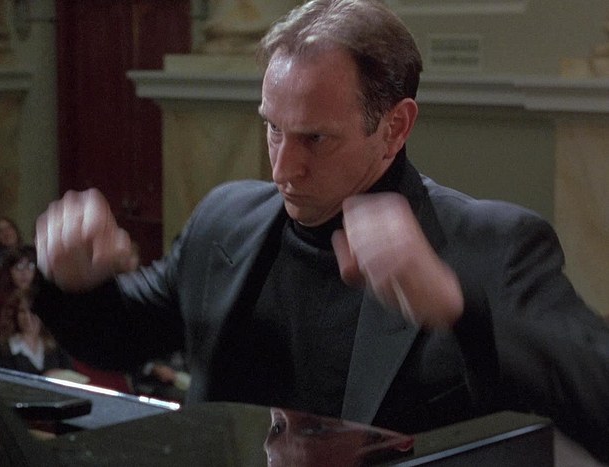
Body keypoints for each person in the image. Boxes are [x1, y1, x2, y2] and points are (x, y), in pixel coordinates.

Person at [33, 0, 609, 462]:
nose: (283, 170)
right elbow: (120, 338)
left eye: (315, 138)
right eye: (273, 130)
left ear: (395, 127)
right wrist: (74, 282)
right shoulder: (226, 219)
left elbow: (599, 401)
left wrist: (462, 310)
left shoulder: (491, 243)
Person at [0, 289, 76, 378]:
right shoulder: (4, 349)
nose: (28, 317)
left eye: (33, 311)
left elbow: (71, 375)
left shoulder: (56, 345)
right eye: (22, 311)